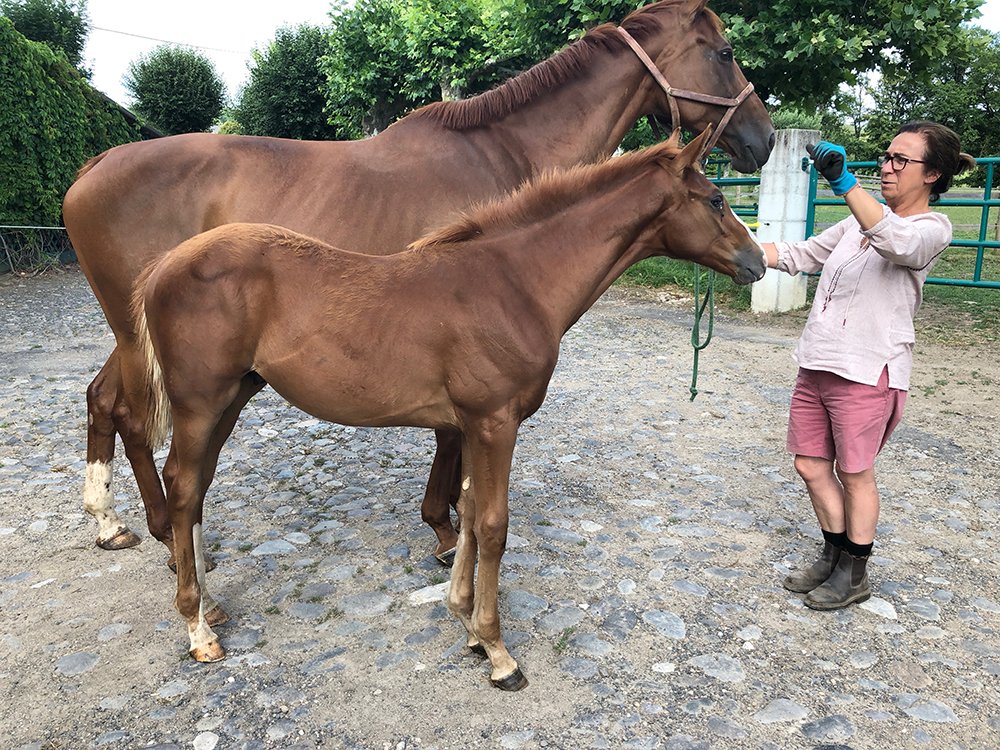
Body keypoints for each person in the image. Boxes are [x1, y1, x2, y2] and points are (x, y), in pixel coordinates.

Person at [760, 121, 976, 610]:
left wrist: (844, 183)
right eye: (886, 156)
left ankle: (854, 572)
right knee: (810, 465)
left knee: (855, 472)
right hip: (818, 362)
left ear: (932, 174)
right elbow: (801, 254)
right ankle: (833, 553)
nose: (887, 167)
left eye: (901, 160)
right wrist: (730, 249)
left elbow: (897, 243)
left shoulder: (931, 229)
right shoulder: (856, 222)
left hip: (867, 370)